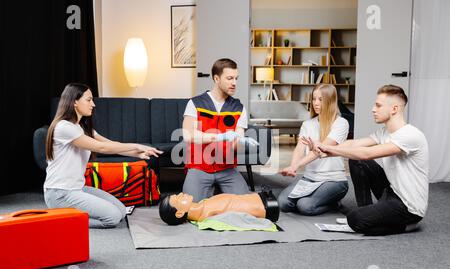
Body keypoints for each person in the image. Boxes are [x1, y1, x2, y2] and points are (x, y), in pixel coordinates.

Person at [303, 84, 429, 235]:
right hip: (391, 192)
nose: (373, 109)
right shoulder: (384, 132)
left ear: (394, 109)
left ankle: (406, 225)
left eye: (378, 105)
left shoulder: (410, 135)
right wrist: (324, 148)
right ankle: (367, 211)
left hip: (408, 207)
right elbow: (355, 144)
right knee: (357, 162)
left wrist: (330, 150)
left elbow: (367, 154)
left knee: (355, 219)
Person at [44, 83, 163, 228]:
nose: (93, 104)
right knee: (111, 218)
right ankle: (63, 220)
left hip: (77, 188)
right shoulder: (64, 127)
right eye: (88, 100)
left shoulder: (82, 128)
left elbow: (110, 144)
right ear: (74, 101)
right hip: (60, 193)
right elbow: (102, 147)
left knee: (120, 210)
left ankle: (70, 214)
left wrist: (138, 153)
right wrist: (136, 145)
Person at [182, 58, 258, 202]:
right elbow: (188, 135)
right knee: (190, 209)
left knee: (246, 205)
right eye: (229, 78)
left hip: (226, 169)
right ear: (216, 78)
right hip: (199, 167)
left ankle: (217, 194)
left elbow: (235, 143)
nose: (234, 83)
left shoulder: (239, 108)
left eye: (236, 78)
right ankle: (214, 194)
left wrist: (242, 142)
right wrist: (220, 137)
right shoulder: (195, 103)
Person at [277, 84, 349, 216]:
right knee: (283, 203)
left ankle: (334, 204)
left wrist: (298, 165)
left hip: (333, 180)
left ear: (331, 101)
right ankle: (321, 199)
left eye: (320, 99)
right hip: (309, 178)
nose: (316, 103)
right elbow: (300, 148)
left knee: (305, 206)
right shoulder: (307, 124)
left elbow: (320, 150)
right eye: (314, 99)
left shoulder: (341, 123)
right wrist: (293, 167)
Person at [159, 190, 279, 225]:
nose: (181, 194)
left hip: (260, 197)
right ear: (179, 213)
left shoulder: (203, 204)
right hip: (266, 206)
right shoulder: (207, 216)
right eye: (178, 199)